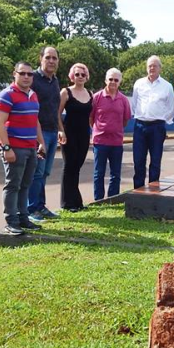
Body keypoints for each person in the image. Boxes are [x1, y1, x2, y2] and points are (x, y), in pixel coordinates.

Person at [0, 61, 47, 235]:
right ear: (14, 74)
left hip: (31, 148)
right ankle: (11, 221)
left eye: (29, 74)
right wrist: (6, 148)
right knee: (12, 185)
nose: (26, 77)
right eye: (22, 73)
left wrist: (41, 143)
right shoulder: (7, 95)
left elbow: (36, 121)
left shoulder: (33, 95)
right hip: (14, 148)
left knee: (25, 185)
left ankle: (23, 218)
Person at [27, 46, 67, 222]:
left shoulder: (55, 81)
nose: (51, 61)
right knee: (36, 172)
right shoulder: (32, 79)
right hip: (38, 133)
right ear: (41, 58)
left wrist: (60, 129)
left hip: (51, 131)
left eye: (55, 58)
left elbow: (54, 110)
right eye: (48, 57)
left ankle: (41, 206)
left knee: (44, 173)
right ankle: (31, 208)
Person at [130, 55, 174, 188]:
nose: (152, 68)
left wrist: (162, 120)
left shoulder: (167, 86)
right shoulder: (139, 83)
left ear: (160, 68)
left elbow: (171, 107)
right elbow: (134, 104)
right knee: (138, 160)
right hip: (140, 125)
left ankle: (153, 190)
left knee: (155, 161)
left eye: (155, 65)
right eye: (149, 65)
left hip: (157, 127)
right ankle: (138, 190)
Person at [90, 68, 131, 201]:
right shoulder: (96, 98)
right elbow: (91, 118)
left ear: (120, 82)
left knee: (115, 174)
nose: (113, 82)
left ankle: (113, 200)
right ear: (105, 80)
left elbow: (125, 120)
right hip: (100, 142)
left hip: (116, 142)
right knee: (99, 173)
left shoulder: (124, 100)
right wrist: (99, 129)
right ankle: (99, 200)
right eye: (110, 79)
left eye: (116, 80)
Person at [59, 63, 93, 212]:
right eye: (77, 74)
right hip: (69, 133)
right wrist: (61, 131)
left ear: (87, 77)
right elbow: (57, 113)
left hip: (84, 134)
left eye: (83, 74)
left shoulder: (90, 93)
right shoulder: (66, 92)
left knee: (77, 167)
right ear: (72, 76)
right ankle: (67, 203)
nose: (80, 77)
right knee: (69, 166)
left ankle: (76, 201)